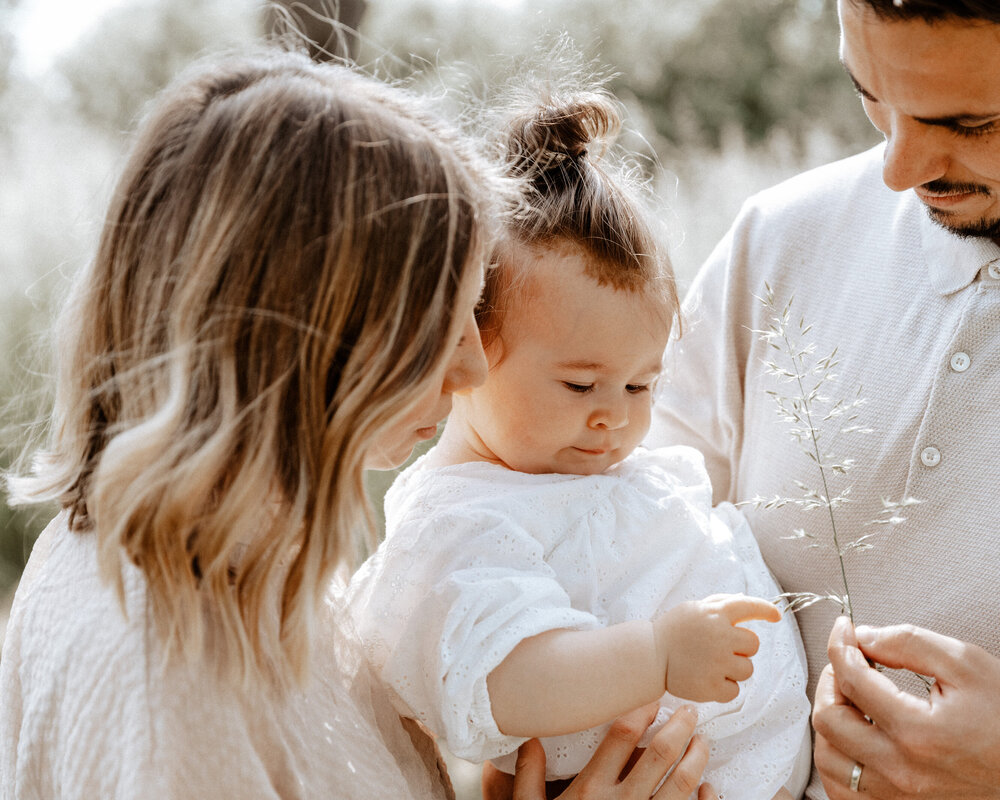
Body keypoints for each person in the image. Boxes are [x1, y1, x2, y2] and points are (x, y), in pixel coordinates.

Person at [0, 49, 712, 799]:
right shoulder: (166, 671)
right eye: (444, 319)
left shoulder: (263, 573)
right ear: (308, 329)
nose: (472, 368)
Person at [646, 1, 1000, 798]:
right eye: (870, 94)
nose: (897, 171)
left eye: (969, 124)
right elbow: (602, 556)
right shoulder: (779, 240)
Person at [348, 88, 812, 800]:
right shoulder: (459, 525)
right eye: (579, 386)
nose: (613, 419)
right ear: (470, 349)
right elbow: (510, 678)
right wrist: (656, 656)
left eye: (639, 387)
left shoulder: (577, 474)